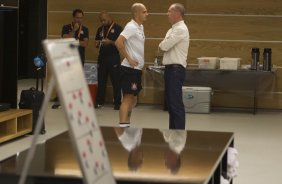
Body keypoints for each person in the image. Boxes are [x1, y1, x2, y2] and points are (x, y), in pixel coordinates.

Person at [115, 3, 148, 127]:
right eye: (144, 12)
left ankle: (126, 123)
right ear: (136, 14)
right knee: (128, 98)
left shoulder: (140, 27)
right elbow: (118, 42)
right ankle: (123, 125)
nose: (147, 14)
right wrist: (128, 58)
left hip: (136, 70)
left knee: (132, 99)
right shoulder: (131, 27)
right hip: (129, 69)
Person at [158, 3, 189, 129]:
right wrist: (163, 44)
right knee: (171, 105)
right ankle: (173, 133)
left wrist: (163, 44)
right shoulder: (172, 29)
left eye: (169, 11)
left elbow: (163, 46)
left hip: (176, 70)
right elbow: (163, 46)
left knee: (175, 104)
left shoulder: (180, 29)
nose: (167, 14)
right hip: (170, 70)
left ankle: (179, 134)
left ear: (177, 13)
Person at [52, 9, 89, 109]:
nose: (79, 20)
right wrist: (73, 31)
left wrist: (73, 41)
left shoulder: (85, 29)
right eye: (77, 17)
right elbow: (64, 39)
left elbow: (85, 44)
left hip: (79, 58)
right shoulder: (66, 27)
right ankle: (59, 101)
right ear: (73, 17)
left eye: (81, 18)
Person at [95, 11, 123, 110]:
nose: (103, 22)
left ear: (109, 17)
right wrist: (98, 43)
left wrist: (110, 42)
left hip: (113, 57)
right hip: (102, 58)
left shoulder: (118, 28)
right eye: (101, 20)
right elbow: (96, 42)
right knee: (101, 81)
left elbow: (121, 44)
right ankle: (99, 102)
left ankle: (117, 103)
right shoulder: (100, 29)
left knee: (116, 81)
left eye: (104, 20)